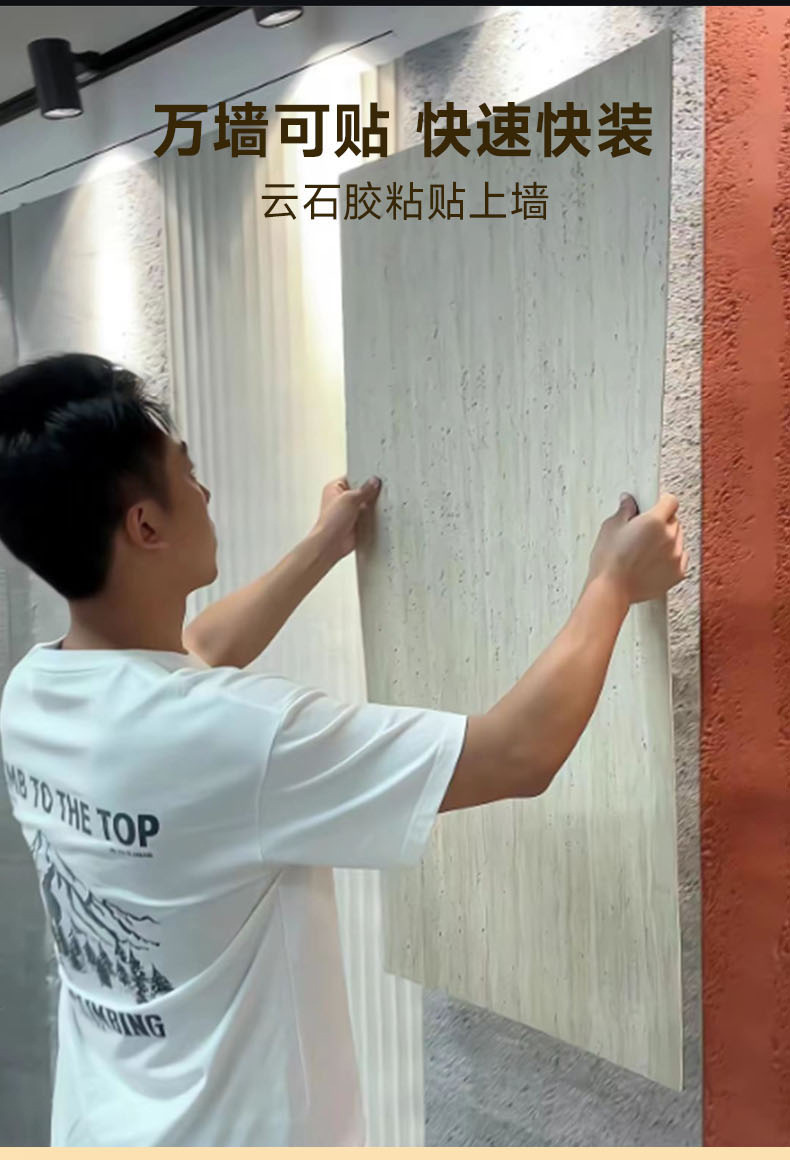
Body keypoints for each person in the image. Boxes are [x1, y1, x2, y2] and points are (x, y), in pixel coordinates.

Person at [0, 353, 687, 1146]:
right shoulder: (235, 736)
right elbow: (517, 753)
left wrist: (320, 547)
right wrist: (611, 584)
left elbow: (194, 652)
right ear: (145, 526)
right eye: (186, 473)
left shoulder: (36, 692)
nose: (205, 492)